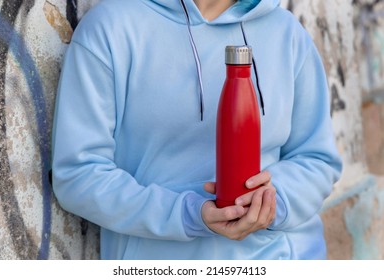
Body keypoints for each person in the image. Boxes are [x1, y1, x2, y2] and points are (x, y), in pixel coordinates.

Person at [52, 0, 343, 260]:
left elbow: (317, 160)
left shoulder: (287, 33)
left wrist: (269, 203)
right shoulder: (110, 29)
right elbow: (78, 174)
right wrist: (187, 214)